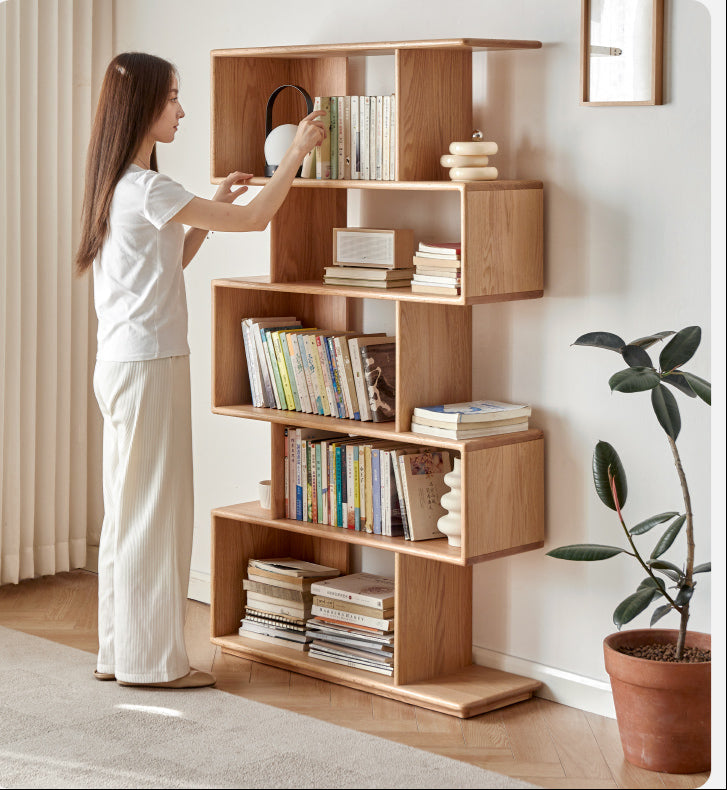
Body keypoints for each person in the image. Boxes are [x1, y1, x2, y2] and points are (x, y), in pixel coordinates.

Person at [75, 52, 326, 689]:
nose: (181, 111)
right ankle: (153, 665)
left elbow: (167, 262)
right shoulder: (147, 188)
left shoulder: (119, 186)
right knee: (156, 515)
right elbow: (256, 219)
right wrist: (295, 153)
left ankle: (119, 653)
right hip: (150, 366)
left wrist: (210, 205)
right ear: (143, 107)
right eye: (172, 99)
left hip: (122, 364)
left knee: (128, 512)